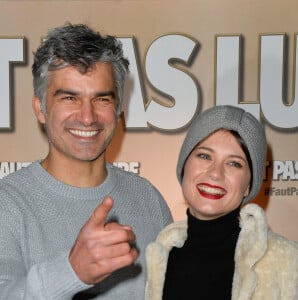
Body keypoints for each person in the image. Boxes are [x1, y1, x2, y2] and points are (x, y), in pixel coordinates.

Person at [0, 23, 172, 299]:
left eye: (101, 99)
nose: (88, 117)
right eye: (70, 98)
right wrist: (71, 272)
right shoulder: (7, 203)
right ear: (40, 109)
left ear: (117, 110)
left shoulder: (148, 198)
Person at [145, 105, 298, 300]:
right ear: (184, 166)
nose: (215, 173)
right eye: (204, 156)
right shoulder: (160, 256)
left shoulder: (288, 262)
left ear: (248, 185)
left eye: (234, 163)